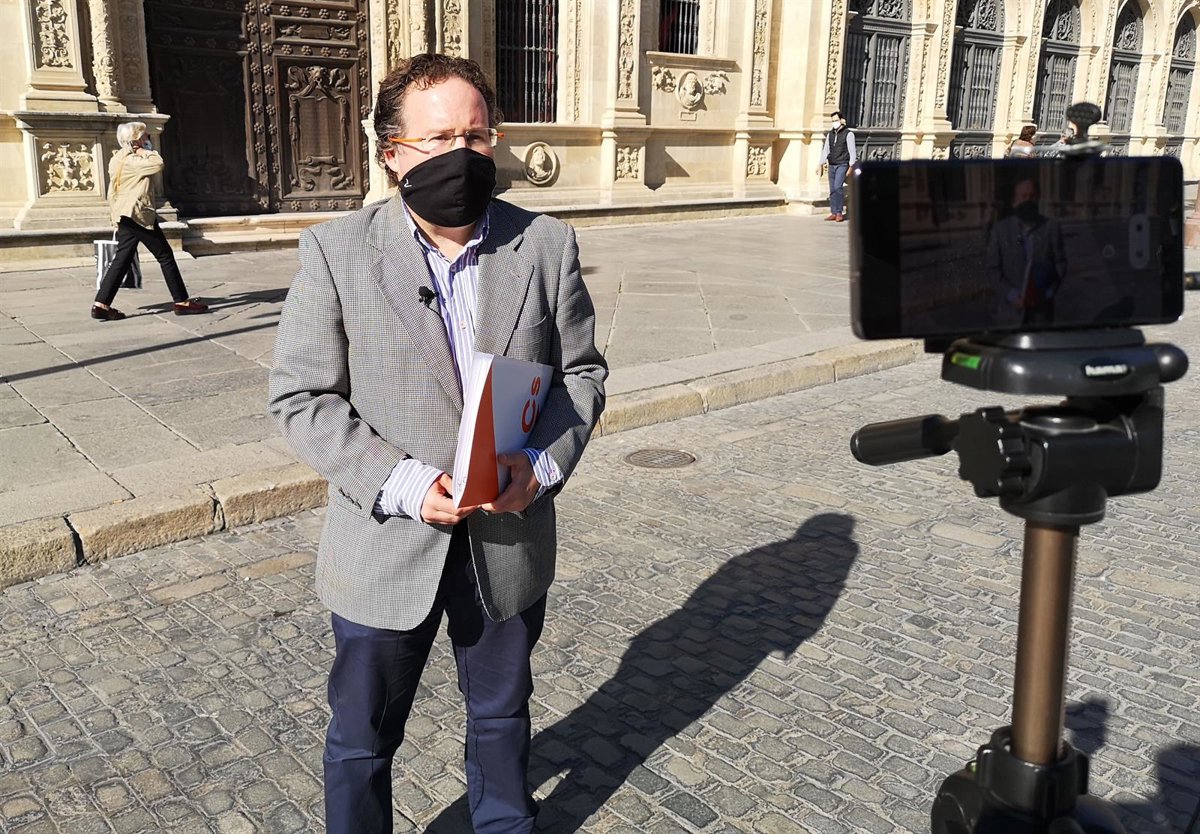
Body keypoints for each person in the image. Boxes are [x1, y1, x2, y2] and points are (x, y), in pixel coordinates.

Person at [267, 53, 607, 834]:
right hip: (386, 543)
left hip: (508, 538)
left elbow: (580, 375)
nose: (463, 153)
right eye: (440, 138)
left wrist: (541, 465)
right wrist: (408, 484)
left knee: (502, 716)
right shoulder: (335, 251)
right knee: (362, 736)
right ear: (393, 153)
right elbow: (301, 398)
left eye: (477, 136)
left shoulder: (545, 244)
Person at [91, 121, 208, 320]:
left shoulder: (117, 158)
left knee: (122, 259)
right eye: (144, 136)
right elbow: (158, 163)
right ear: (136, 140)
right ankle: (181, 302)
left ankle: (101, 304)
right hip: (138, 214)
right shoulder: (134, 161)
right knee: (165, 256)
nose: (148, 139)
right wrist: (144, 150)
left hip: (124, 213)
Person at [985, 178, 1068, 327]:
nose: (1028, 200)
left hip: (1042, 313)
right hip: (1009, 314)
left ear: (1038, 199)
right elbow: (992, 269)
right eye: (1023, 196)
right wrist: (1012, 295)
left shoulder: (1051, 228)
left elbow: (1060, 265)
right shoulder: (1000, 230)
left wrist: (1047, 294)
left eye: (1032, 196)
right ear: (1015, 201)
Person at [816, 110, 857, 222]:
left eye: (836, 120)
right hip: (832, 164)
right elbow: (826, 150)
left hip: (842, 164)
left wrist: (851, 166)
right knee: (832, 189)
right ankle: (833, 212)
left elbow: (852, 152)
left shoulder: (848, 134)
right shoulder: (830, 134)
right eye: (833, 121)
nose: (834, 123)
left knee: (838, 187)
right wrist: (820, 163)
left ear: (842, 120)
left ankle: (839, 213)